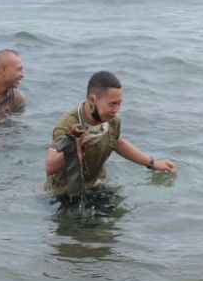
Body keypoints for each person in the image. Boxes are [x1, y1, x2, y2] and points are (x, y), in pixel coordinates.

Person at [44, 71, 176, 204]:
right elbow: (50, 167)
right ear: (92, 101)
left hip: (97, 187)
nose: (116, 110)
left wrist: (152, 163)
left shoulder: (111, 120)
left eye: (119, 104)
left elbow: (117, 143)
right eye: (112, 104)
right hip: (64, 195)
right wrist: (76, 143)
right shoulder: (69, 124)